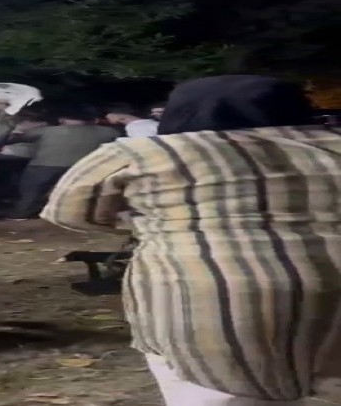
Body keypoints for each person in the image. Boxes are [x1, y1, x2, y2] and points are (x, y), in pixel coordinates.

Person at [41, 75, 341, 406]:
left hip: (207, 291)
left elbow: (68, 212)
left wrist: (151, 222)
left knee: (215, 393)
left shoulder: (140, 152)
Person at [8, 112, 120, 219]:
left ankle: (23, 214)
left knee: (31, 192)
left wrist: (20, 130)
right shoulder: (108, 132)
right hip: (83, 167)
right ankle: (78, 215)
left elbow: (16, 139)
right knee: (82, 193)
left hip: (45, 166)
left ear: (61, 120)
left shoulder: (47, 131)